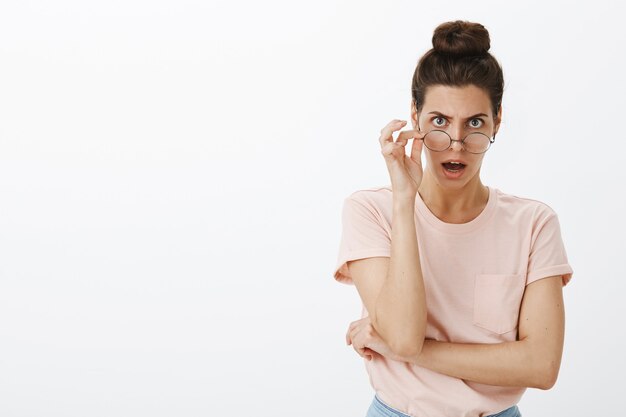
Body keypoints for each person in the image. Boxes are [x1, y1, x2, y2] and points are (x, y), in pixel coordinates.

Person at [333, 20, 574, 417]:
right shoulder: (370, 211)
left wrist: (396, 347)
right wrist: (404, 203)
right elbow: (405, 335)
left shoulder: (534, 224)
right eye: (440, 122)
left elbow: (542, 366)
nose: (456, 144)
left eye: (475, 123)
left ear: (498, 120)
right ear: (416, 117)